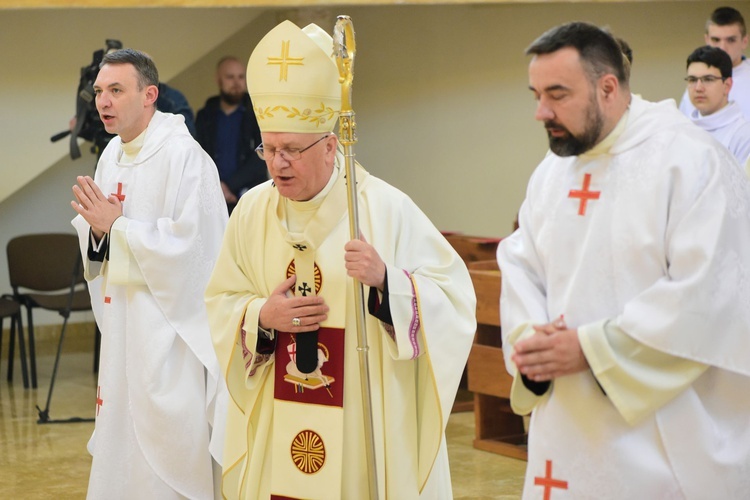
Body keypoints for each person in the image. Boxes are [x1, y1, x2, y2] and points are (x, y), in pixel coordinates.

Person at [204, 20, 476, 499]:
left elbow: (454, 299)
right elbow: (221, 299)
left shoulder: (381, 208)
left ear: (331, 146)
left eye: (291, 150)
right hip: (277, 404)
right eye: (268, 149)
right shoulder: (251, 210)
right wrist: (262, 317)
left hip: (359, 417)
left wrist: (387, 282)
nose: (278, 163)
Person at [498, 21, 750, 498]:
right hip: (565, 427)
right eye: (535, 94)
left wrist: (592, 349)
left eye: (557, 94)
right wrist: (530, 339)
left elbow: (711, 291)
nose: (540, 111)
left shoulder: (690, 161)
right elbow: (521, 264)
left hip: (661, 434)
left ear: (608, 88)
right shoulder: (551, 173)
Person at [70, 48, 228, 499]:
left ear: (149, 95)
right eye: (99, 91)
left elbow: (197, 249)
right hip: (123, 326)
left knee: (168, 448)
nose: (104, 101)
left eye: (117, 90)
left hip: (170, 332)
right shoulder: (111, 156)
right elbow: (99, 239)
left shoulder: (186, 158)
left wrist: (117, 227)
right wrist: (100, 232)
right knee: (123, 440)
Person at [196, 56, 268, 213]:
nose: (237, 82)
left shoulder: (259, 113)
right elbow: (198, 155)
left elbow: (263, 154)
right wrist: (217, 186)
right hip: (212, 199)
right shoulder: (205, 116)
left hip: (251, 197)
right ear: (218, 79)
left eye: (241, 77)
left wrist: (227, 186)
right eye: (230, 77)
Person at [680, 6, 750, 119]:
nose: (722, 47)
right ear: (707, 40)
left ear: (744, 41)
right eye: (716, 40)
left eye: (731, 40)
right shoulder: (697, 85)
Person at [685, 45, 750, 163]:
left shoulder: (744, 135)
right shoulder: (682, 129)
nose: (698, 88)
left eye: (708, 79)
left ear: (727, 85)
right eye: (693, 80)